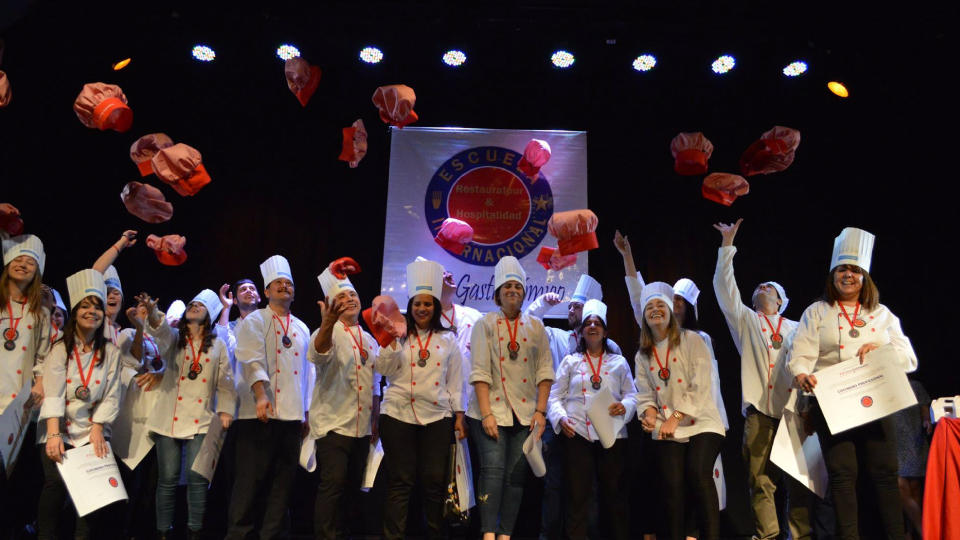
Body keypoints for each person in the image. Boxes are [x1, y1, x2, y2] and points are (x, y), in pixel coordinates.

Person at [788, 227, 918, 539]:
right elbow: (802, 354)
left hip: (874, 402)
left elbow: (908, 358)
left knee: (885, 474)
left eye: (855, 270)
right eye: (843, 269)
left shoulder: (881, 314)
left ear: (865, 277)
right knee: (842, 475)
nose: (849, 275)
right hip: (832, 401)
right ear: (833, 274)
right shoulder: (817, 311)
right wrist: (802, 374)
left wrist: (882, 351)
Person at [710, 219, 811, 539]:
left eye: (770, 287)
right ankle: (767, 535)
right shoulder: (747, 322)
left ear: (781, 301)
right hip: (759, 413)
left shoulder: (798, 327)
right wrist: (727, 246)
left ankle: (799, 535)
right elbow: (726, 291)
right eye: (759, 287)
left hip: (795, 411)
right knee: (760, 479)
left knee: (799, 479)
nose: (762, 288)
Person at [524, 274, 622, 539]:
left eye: (578, 306)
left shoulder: (611, 349)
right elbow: (529, 324)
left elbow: (620, 390)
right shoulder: (557, 337)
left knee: (588, 489)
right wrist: (543, 303)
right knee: (554, 486)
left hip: (592, 429)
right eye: (570, 306)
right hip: (558, 424)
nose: (571, 310)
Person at [376, 258, 466, 539]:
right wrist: (390, 339)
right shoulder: (398, 335)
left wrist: (459, 417)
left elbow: (456, 382)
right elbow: (383, 369)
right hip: (397, 415)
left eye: (428, 304)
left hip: (437, 417)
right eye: (417, 303)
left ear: (435, 307)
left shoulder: (449, 339)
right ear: (410, 306)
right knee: (400, 482)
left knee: (433, 483)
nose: (422, 309)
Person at [226, 255, 314, 540]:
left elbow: (308, 374)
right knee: (250, 484)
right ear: (266, 291)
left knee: (282, 485)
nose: (284, 287)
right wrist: (262, 395)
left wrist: (306, 412)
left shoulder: (301, 327)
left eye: (288, 283)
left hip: (291, 418)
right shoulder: (255, 320)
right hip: (258, 415)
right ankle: (238, 535)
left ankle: (272, 535)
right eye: (278, 283)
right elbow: (251, 359)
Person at [467, 256, 554, 540]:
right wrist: (487, 414)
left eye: (517, 286)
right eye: (507, 286)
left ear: (524, 292)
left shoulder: (536, 327)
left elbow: (544, 372)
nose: (513, 290)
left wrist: (541, 413)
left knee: (516, 477)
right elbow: (480, 372)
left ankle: (506, 535)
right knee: (492, 471)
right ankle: (488, 534)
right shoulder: (485, 324)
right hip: (489, 410)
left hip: (527, 413)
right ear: (498, 293)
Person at [633, 282, 726, 540]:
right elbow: (644, 394)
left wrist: (675, 417)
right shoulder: (642, 355)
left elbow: (701, 384)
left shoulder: (692, 340)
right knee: (671, 486)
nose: (655, 310)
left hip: (703, 420)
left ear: (671, 311)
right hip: (667, 424)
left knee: (698, 472)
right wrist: (649, 414)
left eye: (660, 305)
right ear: (643, 316)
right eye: (649, 307)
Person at [141, 289, 236, 539]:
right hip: (168, 417)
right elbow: (159, 332)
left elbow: (225, 381)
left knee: (197, 478)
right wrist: (152, 314)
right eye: (191, 304)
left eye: (200, 305)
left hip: (202, 418)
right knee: (168, 478)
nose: (194, 306)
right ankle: (164, 532)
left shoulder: (218, 345)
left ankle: (194, 531)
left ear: (210, 315)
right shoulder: (174, 337)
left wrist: (226, 410)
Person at [37, 269, 125, 538]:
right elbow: (52, 392)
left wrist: (98, 427)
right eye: (85, 306)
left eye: (97, 308)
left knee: (89, 498)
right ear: (74, 312)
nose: (92, 312)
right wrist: (54, 434)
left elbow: (111, 394)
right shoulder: (60, 348)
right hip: (58, 426)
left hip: (92, 429)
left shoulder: (110, 351)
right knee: (54, 486)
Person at [547, 298, 635, 540]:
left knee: (614, 497)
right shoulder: (570, 361)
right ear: (582, 331)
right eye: (588, 323)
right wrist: (561, 418)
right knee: (577, 497)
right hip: (577, 435)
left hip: (612, 435)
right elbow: (554, 396)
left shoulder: (619, 362)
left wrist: (624, 407)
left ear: (605, 330)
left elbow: (633, 396)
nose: (592, 326)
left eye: (597, 323)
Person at [310, 262, 382, 540]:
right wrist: (327, 322)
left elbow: (375, 382)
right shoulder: (326, 332)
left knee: (353, 488)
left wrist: (374, 419)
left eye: (352, 295)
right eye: (341, 297)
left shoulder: (368, 338)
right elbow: (319, 353)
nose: (350, 300)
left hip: (361, 427)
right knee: (334, 484)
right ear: (330, 306)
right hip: (333, 424)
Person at [0, 234, 52, 538]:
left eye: (30, 262)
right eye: (18, 259)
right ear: (6, 265)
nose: (23, 265)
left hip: (18, 400)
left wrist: (41, 382)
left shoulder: (40, 313)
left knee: (8, 470)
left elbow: (44, 356)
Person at [893, 378, 931, 540]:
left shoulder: (915, 385)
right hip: (892, 440)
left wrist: (926, 421)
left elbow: (924, 408)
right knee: (900, 487)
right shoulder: (882, 384)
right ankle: (924, 532)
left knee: (914, 488)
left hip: (913, 439)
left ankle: (909, 533)